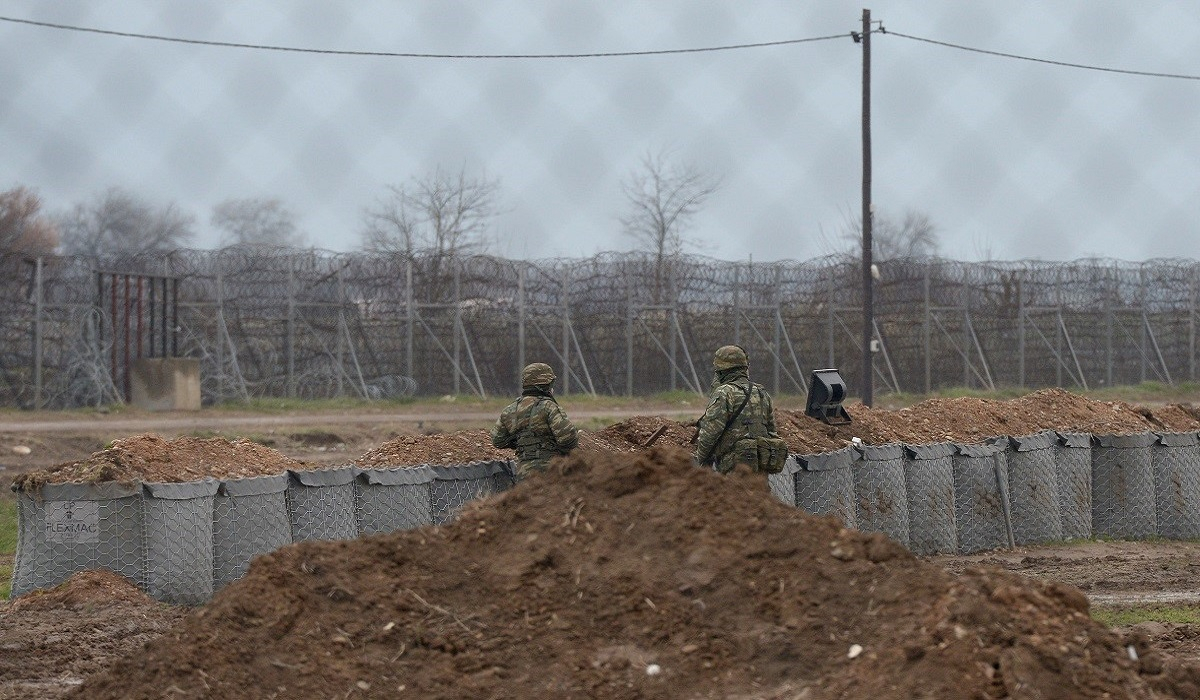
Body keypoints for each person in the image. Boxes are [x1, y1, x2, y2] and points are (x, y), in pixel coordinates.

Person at [694, 345, 784, 474]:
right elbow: (771, 432)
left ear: (721, 370)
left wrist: (700, 460)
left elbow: (710, 433)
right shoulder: (761, 392)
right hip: (759, 469)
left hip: (734, 468)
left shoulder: (724, 392)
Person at [492, 362, 579, 478]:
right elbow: (568, 439)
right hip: (552, 471)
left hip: (523, 473)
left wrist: (521, 441)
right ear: (546, 385)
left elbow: (497, 440)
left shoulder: (510, 410)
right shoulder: (549, 407)